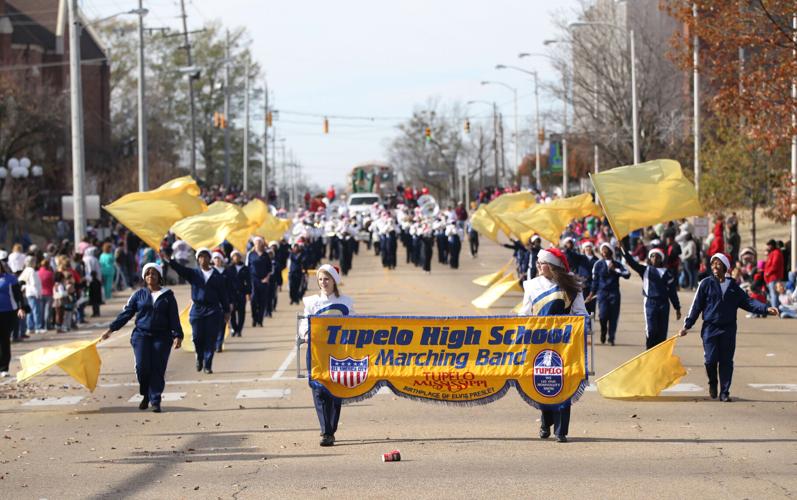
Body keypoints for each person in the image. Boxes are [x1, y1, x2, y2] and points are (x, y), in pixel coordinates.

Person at [680, 254, 777, 401]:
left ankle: (724, 392)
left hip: (728, 329)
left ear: (725, 267)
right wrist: (687, 325)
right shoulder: (705, 284)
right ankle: (713, 382)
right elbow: (696, 306)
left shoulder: (733, 288)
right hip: (710, 328)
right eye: (713, 264)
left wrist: (766, 309)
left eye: (718, 264)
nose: (714, 267)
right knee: (710, 360)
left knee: (726, 361)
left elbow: (749, 302)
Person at [518, 248, 587, 443]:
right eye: (538, 262)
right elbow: (524, 314)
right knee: (543, 382)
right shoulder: (531, 285)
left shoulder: (571, 285)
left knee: (563, 382)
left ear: (553, 266)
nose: (538, 265)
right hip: (539, 342)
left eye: (542, 262)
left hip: (565, 343)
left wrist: (581, 325)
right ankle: (545, 421)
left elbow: (580, 313)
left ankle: (561, 430)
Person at [102, 263, 183, 412]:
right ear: (144, 277)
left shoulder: (168, 296)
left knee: (158, 368)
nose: (150, 276)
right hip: (141, 335)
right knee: (142, 367)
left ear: (159, 277)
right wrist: (111, 329)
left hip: (162, 336)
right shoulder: (138, 295)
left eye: (153, 273)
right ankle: (145, 393)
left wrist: (178, 335)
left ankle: (155, 399)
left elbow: (173, 317)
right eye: (147, 274)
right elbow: (126, 314)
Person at [300, 264, 355, 447]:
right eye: (321, 279)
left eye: (327, 279)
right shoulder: (311, 302)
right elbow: (303, 324)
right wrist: (306, 335)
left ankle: (331, 427)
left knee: (336, 389)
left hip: (338, 351)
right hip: (316, 352)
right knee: (318, 388)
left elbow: (355, 325)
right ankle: (326, 431)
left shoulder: (346, 302)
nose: (323, 282)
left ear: (334, 281)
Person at [166, 248, 229, 374]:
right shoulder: (194, 273)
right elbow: (180, 269)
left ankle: (208, 365)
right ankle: (200, 357)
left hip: (213, 310)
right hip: (197, 310)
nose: (203, 259)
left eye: (205, 256)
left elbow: (223, 295)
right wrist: (169, 260)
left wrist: (227, 311)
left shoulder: (217, 276)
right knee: (197, 337)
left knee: (210, 339)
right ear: (197, 259)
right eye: (200, 257)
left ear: (209, 259)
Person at [622, 247, 681, 349]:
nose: (655, 258)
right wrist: (623, 250)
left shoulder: (667, 273)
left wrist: (677, 307)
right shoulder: (645, 270)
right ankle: (649, 351)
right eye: (652, 256)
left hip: (664, 304)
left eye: (657, 256)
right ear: (650, 258)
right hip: (650, 303)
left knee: (662, 333)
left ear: (661, 259)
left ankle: (659, 355)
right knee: (652, 330)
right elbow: (632, 263)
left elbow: (672, 292)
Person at [587, 243, 630, 345]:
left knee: (613, 317)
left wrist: (615, 270)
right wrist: (591, 294)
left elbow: (627, 274)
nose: (604, 252)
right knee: (602, 315)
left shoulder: (617, 264)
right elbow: (595, 281)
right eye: (603, 250)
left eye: (606, 250)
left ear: (611, 251)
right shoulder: (598, 264)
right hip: (602, 293)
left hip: (614, 293)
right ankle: (603, 331)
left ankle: (611, 338)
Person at [0, 261, 25, 377]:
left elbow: (18, 294)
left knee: (4, 339)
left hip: (9, 312)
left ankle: (4, 367)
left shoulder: (10, 278)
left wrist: (20, 308)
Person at [247, 237, 272, 327]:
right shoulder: (251, 254)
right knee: (253, 300)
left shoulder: (266, 255)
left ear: (262, 244)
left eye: (259, 242)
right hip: (253, 280)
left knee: (262, 301)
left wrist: (267, 278)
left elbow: (270, 269)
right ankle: (254, 318)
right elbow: (248, 268)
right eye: (256, 242)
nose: (258, 244)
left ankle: (260, 320)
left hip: (264, 280)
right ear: (254, 244)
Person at [225, 250, 250, 337]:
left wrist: (248, 293)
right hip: (232, 295)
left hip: (242, 294)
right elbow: (226, 282)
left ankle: (239, 330)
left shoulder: (245, 268)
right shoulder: (229, 268)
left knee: (241, 313)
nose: (236, 258)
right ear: (232, 257)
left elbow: (249, 282)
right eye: (234, 256)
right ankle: (234, 328)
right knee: (232, 313)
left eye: (238, 256)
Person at [19, 256, 43, 335]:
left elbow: (22, 281)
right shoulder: (32, 271)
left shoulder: (26, 270)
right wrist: (37, 293)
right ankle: (37, 327)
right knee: (36, 311)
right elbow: (34, 283)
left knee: (30, 311)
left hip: (29, 293)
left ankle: (30, 327)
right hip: (33, 293)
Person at [764, 239, 784, 309]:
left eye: (769, 246)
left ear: (772, 245)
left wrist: (767, 273)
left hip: (774, 277)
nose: (768, 247)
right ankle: (775, 308)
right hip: (771, 277)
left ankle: (775, 309)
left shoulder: (776, 253)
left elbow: (775, 265)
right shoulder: (773, 253)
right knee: (773, 294)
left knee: (774, 294)